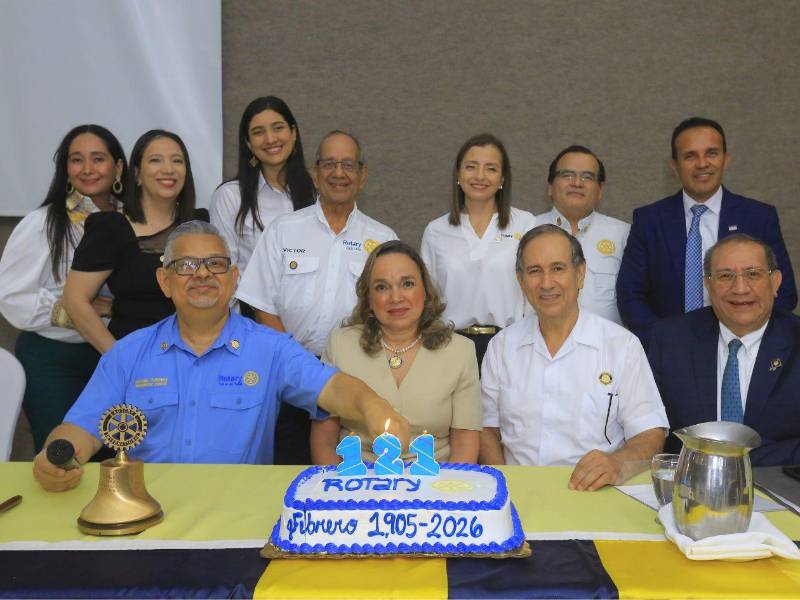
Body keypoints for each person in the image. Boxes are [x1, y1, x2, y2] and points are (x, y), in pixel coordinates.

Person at [32, 221, 409, 492]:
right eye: (186, 266)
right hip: (144, 514)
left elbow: (332, 387)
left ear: (233, 279)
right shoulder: (128, 352)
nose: (202, 275)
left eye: (215, 264)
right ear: (164, 281)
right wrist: (57, 457)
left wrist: (373, 406)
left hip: (237, 517)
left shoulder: (269, 348)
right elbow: (80, 428)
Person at [237, 130, 397, 464]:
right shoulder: (283, 230)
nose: (338, 173)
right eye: (330, 164)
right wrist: (297, 363)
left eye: (348, 165)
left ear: (362, 175)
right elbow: (261, 305)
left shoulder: (382, 239)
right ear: (314, 171)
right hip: (288, 379)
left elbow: (392, 313)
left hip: (358, 379)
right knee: (288, 471)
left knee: (353, 477)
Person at [480, 225, 669, 491]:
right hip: (519, 496)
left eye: (558, 268)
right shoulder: (502, 347)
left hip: (597, 495)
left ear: (580, 274)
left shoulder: (622, 346)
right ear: (521, 281)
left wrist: (617, 463)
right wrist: (504, 486)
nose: (546, 283)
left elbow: (650, 432)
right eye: (535, 271)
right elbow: (488, 430)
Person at [0, 125, 127, 451]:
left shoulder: (132, 220)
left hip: (113, 356)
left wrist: (113, 309)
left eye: (98, 159)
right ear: (65, 171)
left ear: (118, 166)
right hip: (54, 360)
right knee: (63, 458)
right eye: (76, 160)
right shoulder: (43, 223)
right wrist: (76, 307)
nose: (87, 169)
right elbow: (11, 296)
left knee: (115, 455)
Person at [617, 117, 797, 345]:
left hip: (743, 349)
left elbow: (784, 291)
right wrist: (664, 343)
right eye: (690, 156)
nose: (702, 163)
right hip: (671, 353)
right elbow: (630, 296)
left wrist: (746, 339)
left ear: (725, 159)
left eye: (711, 153)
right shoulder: (649, 220)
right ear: (674, 166)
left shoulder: (758, 217)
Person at [310, 240, 481, 464]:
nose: (396, 297)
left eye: (407, 284)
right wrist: (338, 495)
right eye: (382, 287)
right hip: (355, 485)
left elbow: (465, 443)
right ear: (369, 298)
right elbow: (323, 439)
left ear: (426, 291)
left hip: (434, 484)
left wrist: (447, 493)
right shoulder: (340, 344)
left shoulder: (460, 351)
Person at [648, 234, 800, 466]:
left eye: (753, 274)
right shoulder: (670, 340)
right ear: (708, 284)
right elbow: (651, 427)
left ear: (776, 282)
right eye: (726, 276)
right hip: (691, 491)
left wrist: (736, 460)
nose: (740, 288)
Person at [63, 129, 208, 354]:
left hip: (196, 355)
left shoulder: (200, 223)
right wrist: (118, 358)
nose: (168, 169)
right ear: (138, 174)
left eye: (177, 161)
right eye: (155, 160)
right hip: (136, 359)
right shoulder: (110, 227)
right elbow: (74, 300)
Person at [420, 133, 535, 369]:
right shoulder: (436, 230)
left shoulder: (525, 224)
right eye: (471, 167)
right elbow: (426, 300)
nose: (480, 176)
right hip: (450, 347)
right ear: (458, 174)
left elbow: (534, 293)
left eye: (491, 169)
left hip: (511, 347)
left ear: (502, 178)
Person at [209, 96, 315, 278]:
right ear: (248, 143)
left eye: (278, 128)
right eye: (258, 132)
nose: (270, 139)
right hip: (250, 306)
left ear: (294, 133)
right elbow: (224, 271)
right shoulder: (230, 196)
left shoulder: (317, 194)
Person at [535, 145, 629, 324]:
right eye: (567, 175)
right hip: (540, 347)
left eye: (587, 177)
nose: (577, 183)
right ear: (550, 187)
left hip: (605, 348)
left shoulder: (624, 235)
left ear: (600, 189)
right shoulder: (528, 230)